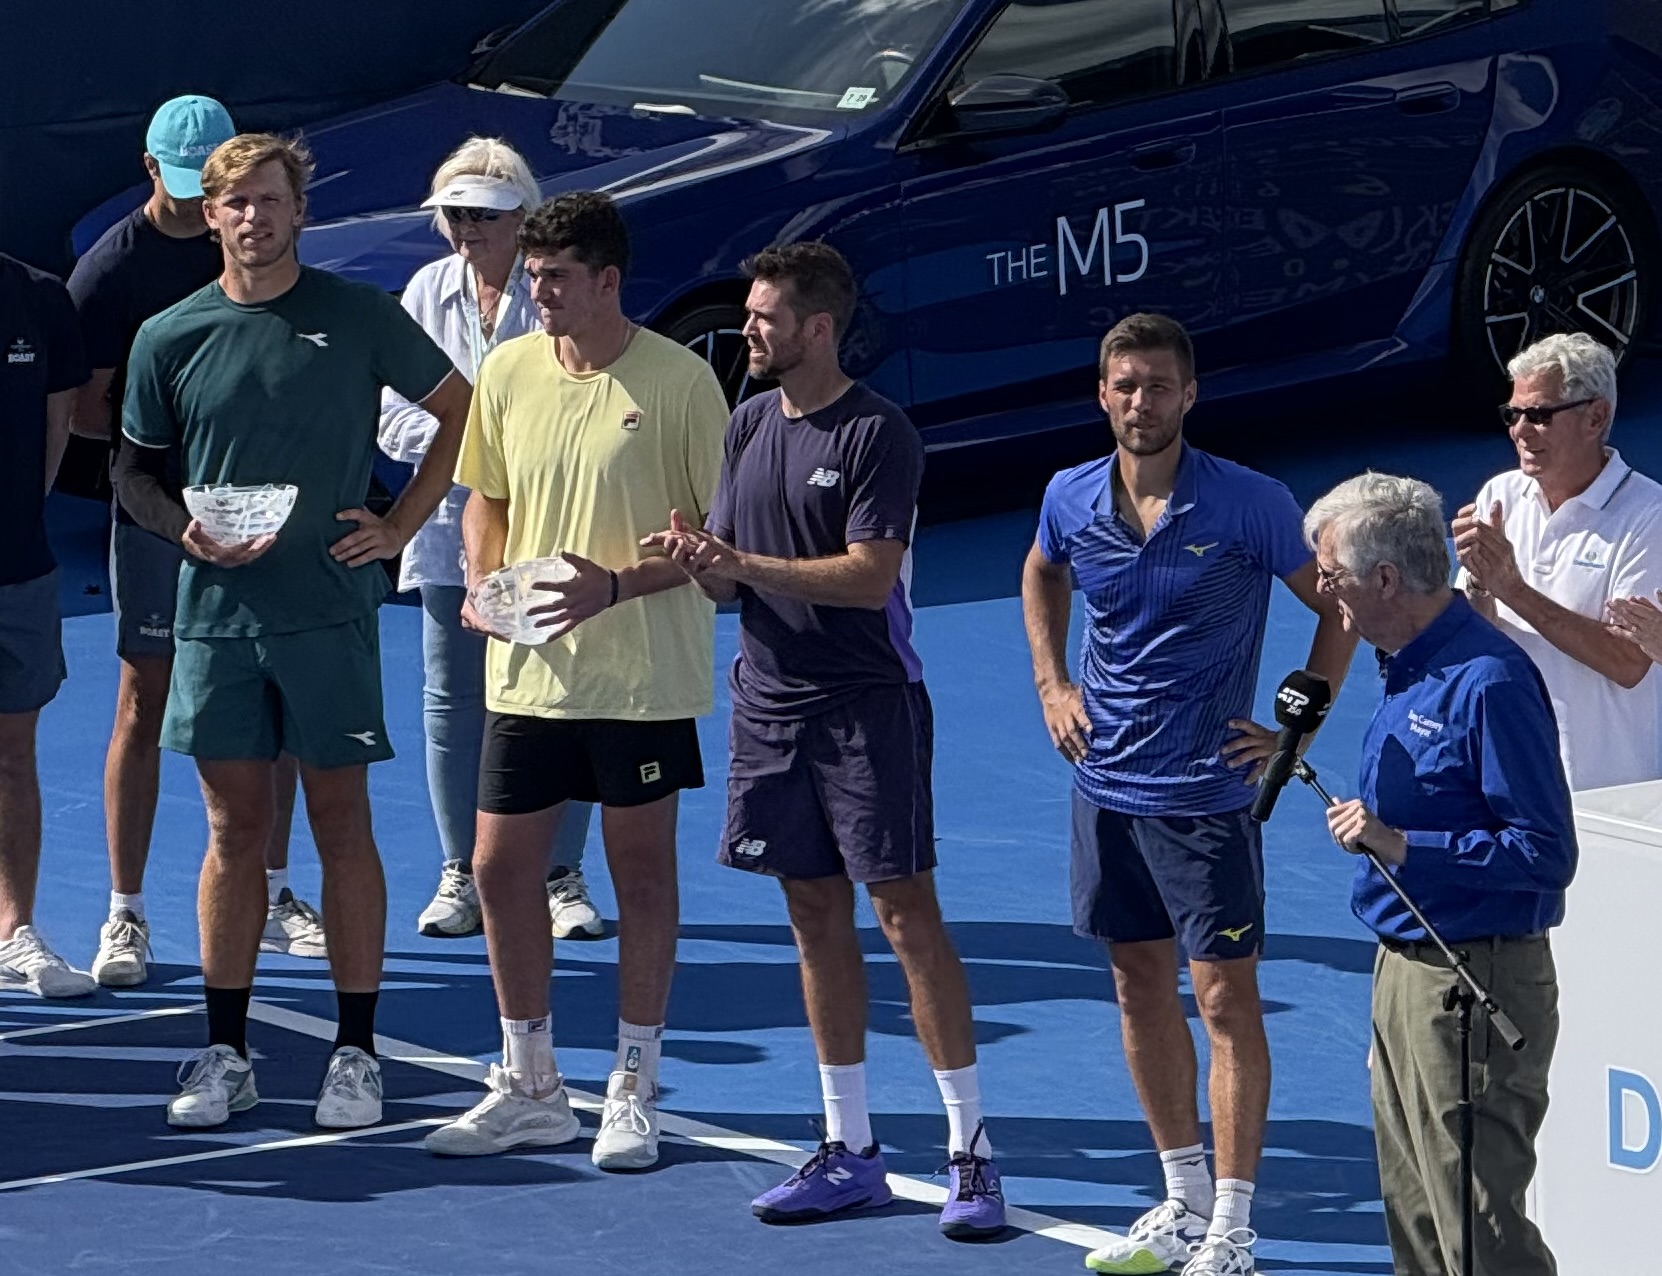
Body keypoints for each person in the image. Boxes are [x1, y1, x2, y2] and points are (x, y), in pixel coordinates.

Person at [645, 242, 1007, 1238]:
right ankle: (851, 1150)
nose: (749, 330)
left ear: (815, 328)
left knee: (902, 912)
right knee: (811, 912)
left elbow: (865, 575)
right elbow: (725, 582)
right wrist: (699, 561)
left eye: (764, 318)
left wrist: (739, 561)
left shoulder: (879, 434)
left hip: (865, 707)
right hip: (769, 705)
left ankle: (972, 1155)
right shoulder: (749, 421)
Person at [115, 133, 471, 1129]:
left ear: (297, 210)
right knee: (232, 830)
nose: (254, 220)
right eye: (237, 206)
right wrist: (180, 525)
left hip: (329, 614)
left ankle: (355, 1055)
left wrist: (399, 525)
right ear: (211, 213)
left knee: (339, 822)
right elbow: (134, 471)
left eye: (272, 202)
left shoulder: (357, 316)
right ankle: (224, 1051)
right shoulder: (168, 335)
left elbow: (459, 411)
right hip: (220, 619)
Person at [1020, 313, 1355, 1276]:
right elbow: (1041, 571)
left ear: (1190, 395)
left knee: (1223, 1000)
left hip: (1206, 797)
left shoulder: (1251, 503)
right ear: (1102, 394)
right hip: (1106, 791)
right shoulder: (1069, 496)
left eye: (1159, 386)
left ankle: (1236, 1227)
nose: (1141, 402)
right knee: (1137, 988)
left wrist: (1299, 726)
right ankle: (1181, 1198)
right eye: (1125, 385)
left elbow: (1336, 605)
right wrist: (1052, 684)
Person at [423, 192, 725, 1171]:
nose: (537, 293)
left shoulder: (681, 384)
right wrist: (481, 580)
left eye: (556, 278)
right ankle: (532, 1084)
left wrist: (613, 584)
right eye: (533, 276)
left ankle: (632, 1086)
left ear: (607, 281)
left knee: (641, 877)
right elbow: (485, 501)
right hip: (527, 674)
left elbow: (716, 551)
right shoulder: (507, 371)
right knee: (501, 869)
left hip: (639, 677)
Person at [68, 95, 323, 988]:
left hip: (265, 517)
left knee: (276, 690)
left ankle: (279, 888)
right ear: (153, 172)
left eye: (235, 187)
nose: (222, 204)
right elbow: (92, 411)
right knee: (146, 696)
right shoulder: (109, 275)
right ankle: (125, 911)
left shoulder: (261, 248)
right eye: (199, 189)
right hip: (157, 516)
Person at [1309, 471, 1572, 1276]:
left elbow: (1546, 852)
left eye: (1333, 573)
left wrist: (1404, 846)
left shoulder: (1487, 681)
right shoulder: (1407, 661)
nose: (1322, 590)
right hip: (1406, 971)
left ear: (1386, 578)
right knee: (1417, 1213)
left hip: (1470, 983)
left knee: (1478, 1228)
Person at [378, 137, 599, 941]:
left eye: (485, 214)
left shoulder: (553, 290)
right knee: (454, 702)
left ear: (521, 219)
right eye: (456, 214)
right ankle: (459, 872)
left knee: (558, 697)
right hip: (444, 530)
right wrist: (465, 450)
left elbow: (581, 389)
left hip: (550, 525)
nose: (468, 227)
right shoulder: (425, 290)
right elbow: (392, 407)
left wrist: (480, 446)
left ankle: (560, 875)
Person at [1453, 331, 1662, 791]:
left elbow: (1628, 662)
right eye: (1514, 414)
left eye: (1540, 415)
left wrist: (1513, 589)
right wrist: (1480, 588)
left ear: (1596, 417)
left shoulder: (1650, 518)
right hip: (1505, 777)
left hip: (1607, 791)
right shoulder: (1499, 496)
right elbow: (1477, 632)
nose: (1520, 430)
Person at [0, 251, 95, 999]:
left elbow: (58, 424)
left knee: (12, 756)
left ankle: (13, 930)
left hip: (18, 570)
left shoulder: (38, 298)